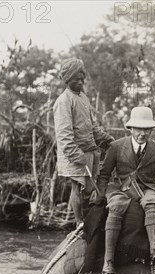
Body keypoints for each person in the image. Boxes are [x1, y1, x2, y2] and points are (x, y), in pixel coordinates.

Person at [95, 107, 155, 274]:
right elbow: (104, 174)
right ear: (131, 129)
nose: (142, 133)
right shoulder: (116, 147)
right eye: (138, 129)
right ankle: (109, 260)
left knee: (152, 202)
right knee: (117, 205)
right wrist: (101, 195)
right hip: (121, 188)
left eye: (146, 129)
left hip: (147, 188)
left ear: (151, 130)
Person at [53, 58, 114, 227]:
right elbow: (64, 134)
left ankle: (88, 219)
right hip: (74, 151)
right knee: (77, 186)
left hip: (89, 148)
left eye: (82, 79)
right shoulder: (63, 101)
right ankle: (79, 222)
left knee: (88, 188)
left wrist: (105, 138)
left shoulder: (83, 98)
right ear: (67, 80)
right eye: (75, 79)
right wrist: (75, 154)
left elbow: (91, 125)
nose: (80, 82)